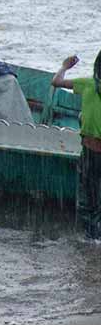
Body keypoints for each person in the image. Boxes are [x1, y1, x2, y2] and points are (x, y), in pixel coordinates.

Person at [52, 53, 101, 238]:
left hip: (90, 151)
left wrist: (65, 66)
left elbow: (56, 82)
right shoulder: (88, 84)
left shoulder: (88, 83)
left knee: (88, 196)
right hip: (92, 150)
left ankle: (91, 235)